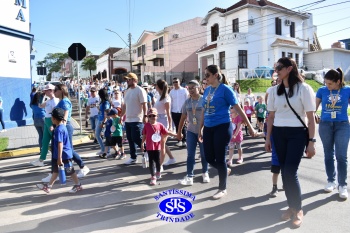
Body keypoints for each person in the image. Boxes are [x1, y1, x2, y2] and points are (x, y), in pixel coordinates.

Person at [265, 57, 316, 228]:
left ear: (288, 69)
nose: (276, 70)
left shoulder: (304, 89)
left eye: (279, 67)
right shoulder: (273, 91)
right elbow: (270, 117)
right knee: (284, 172)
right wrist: (267, 138)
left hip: (297, 134)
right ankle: (291, 206)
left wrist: (311, 142)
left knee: (289, 172)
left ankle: (298, 209)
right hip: (279, 134)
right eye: (275, 67)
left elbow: (310, 118)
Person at [198, 65, 256, 200]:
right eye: (205, 75)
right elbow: (203, 111)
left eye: (207, 75)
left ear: (215, 75)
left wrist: (250, 127)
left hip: (222, 127)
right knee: (208, 157)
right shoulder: (207, 91)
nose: (205, 78)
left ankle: (222, 188)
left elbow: (238, 108)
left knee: (219, 157)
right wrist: (200, 128)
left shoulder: (225, 90)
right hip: (208, 127)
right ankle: (224, 169)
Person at [316, 68, 349, 199]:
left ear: (338, 82)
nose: (327, 86)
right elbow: (313, 108)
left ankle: (343, 185)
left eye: (330, 83)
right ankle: (331, 181)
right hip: (325, 125)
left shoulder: (347, 90)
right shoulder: (322, 90)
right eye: (325, 83)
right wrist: (314, 116)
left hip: (342, 125)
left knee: (341, 156)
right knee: (328, 154)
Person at [36, 108, 82, 194]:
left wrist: (59, 158)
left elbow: (60, 143)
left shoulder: (59, 130)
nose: (51, 119)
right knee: (55, 171)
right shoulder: (60, 127)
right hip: (60, 154)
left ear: (54, 118)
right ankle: (49, 186)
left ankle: (78, 185)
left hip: (64, 155)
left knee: (70, 170)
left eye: (52, 117)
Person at [53, 84, 90, 178]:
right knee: (66, 149)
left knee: (68, 149)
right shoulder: (61, 101)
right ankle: (60, 171)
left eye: (56, 90)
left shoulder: (65, 101)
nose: (54, 92)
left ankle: (83, 166)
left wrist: (63, 125)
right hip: (63, 126)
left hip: (66, 126)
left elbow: (66, 112)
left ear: (61, 90)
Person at [177, 80, 209, 185]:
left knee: (204, 154)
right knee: (190, 154)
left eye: (192, 88)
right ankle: (190, 176)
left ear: (198, 88)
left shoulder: (204, 100)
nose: (190, 90)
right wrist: (179, 131)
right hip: (190, 131)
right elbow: (182, 117)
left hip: (203, 131)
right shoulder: (187, 102)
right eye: (189, 88)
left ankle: (205, 172)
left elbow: (209, 115)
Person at [141, 108, 177, 185]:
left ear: (157, 116)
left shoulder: (160, 125)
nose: (152, 117)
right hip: (150, 146)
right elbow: (144, 135)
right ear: (147, 117)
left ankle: (158, 171)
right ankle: (153, 176)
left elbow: (167, 132)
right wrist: (142, 143)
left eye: (153, 116)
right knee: (151, 161)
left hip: (157, 146)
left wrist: (176, 135)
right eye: (149, 116)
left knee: (157, 160)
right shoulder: (146, 126)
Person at [121, 73, 148, 165]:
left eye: (129, 79)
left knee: (136, 137)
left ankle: (147, 150)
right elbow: (124, 105)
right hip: (128, 119)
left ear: (135, 80)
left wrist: (145, 116)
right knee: (130, 138)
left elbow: (144, 104)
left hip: (137, 118)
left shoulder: (140, 90)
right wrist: (121, 116)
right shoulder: (126, 91)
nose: (127, 81)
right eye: (127, 79)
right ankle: (133, 157)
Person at [31, 84, 59, 167]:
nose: (45, 92)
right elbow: (40, 106)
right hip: (47, 120)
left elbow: (55, 113)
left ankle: (60, 158)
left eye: (46, 90)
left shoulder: (55, 100)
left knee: (56, 141)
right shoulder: (49, 100)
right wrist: (41, 98)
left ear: (51, 90)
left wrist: (54, 124)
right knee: (45, 141)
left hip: (51, 120)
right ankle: (41, 160)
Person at [154, 79, 176, 166]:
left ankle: (160, 164)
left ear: (158, 87)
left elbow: (168, 113)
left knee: (161, 143)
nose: (155, 86)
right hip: (157, 120)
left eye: (156, 85)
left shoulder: (166, 98)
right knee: (161, 142)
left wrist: (170, 126)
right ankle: (171, 158)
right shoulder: (159, 96)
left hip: (163, 120)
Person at [169, 77, 189, 147]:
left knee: (183, 126)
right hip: (174, 111)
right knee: (177, 126)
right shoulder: (171, 92)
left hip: (183, 111)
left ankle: (184, 140)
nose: (175, 83)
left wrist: (187, 111)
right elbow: (170, 102)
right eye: (174, 82)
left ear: (179, 82)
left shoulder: (184, 90)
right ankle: (179, 140)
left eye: (176, 82)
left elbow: (187, 100)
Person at [95, 89, 111, 155]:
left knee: (101, 135)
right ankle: (104, 149)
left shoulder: (106, 102)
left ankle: (106, 150)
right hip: (100, 118)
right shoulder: (103, 101)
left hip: (103, 120)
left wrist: (103, 122)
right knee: (98, 135)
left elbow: (106, 112)